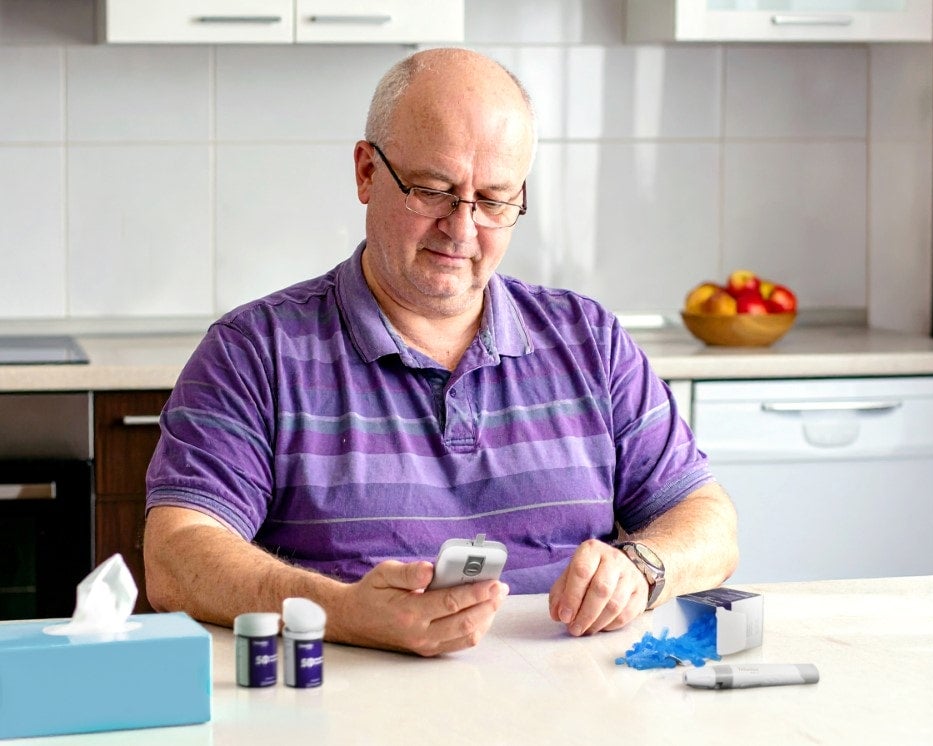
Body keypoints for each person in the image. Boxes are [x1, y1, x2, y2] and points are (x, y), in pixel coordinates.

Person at [143, 47, 738, 657]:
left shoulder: (590, 340)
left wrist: (643, 568)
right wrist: (344, 612)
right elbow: (177, 555)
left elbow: (708, 518)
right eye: (432, 191)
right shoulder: (255, 352)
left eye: (495, 200)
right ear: (367, 173)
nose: (462, 228)